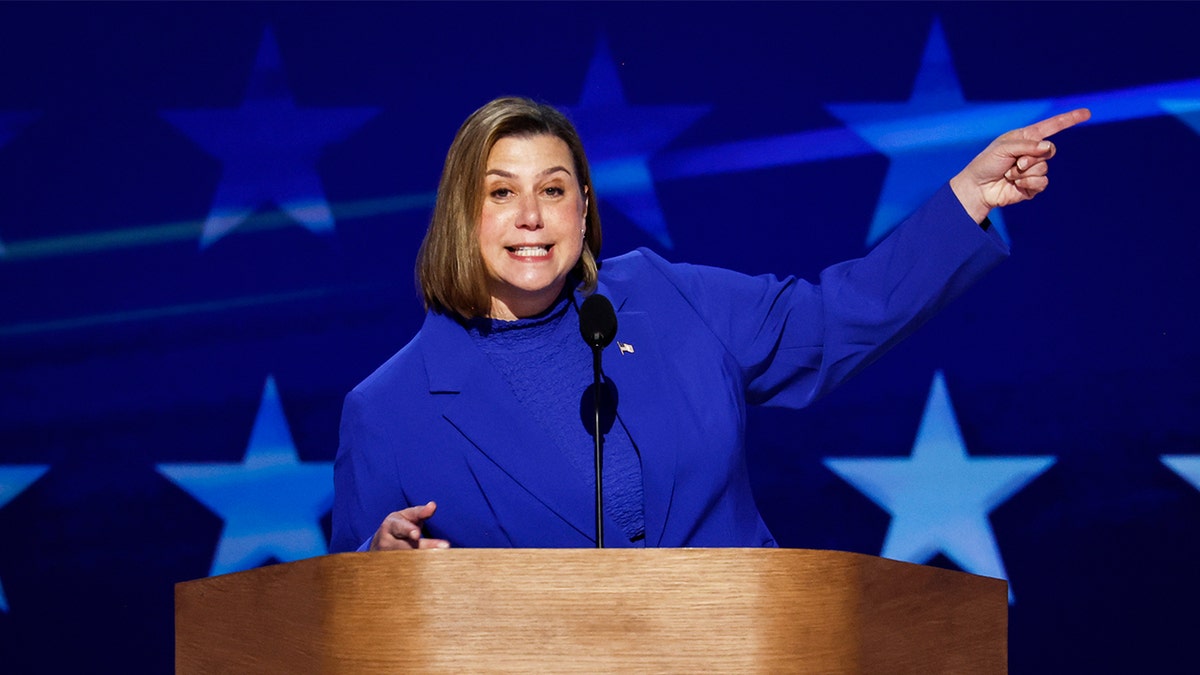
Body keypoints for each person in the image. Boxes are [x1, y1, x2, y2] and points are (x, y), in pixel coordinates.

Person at [330, 96, 1089, 553]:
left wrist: (966, 197)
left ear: (583, 209)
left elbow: (833, 319)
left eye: (553, 189)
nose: (530, 216)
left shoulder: (666, 299)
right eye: (500, 192)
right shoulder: (387, 410)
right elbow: (344, 624)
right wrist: (376, 568)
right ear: (463, 214)